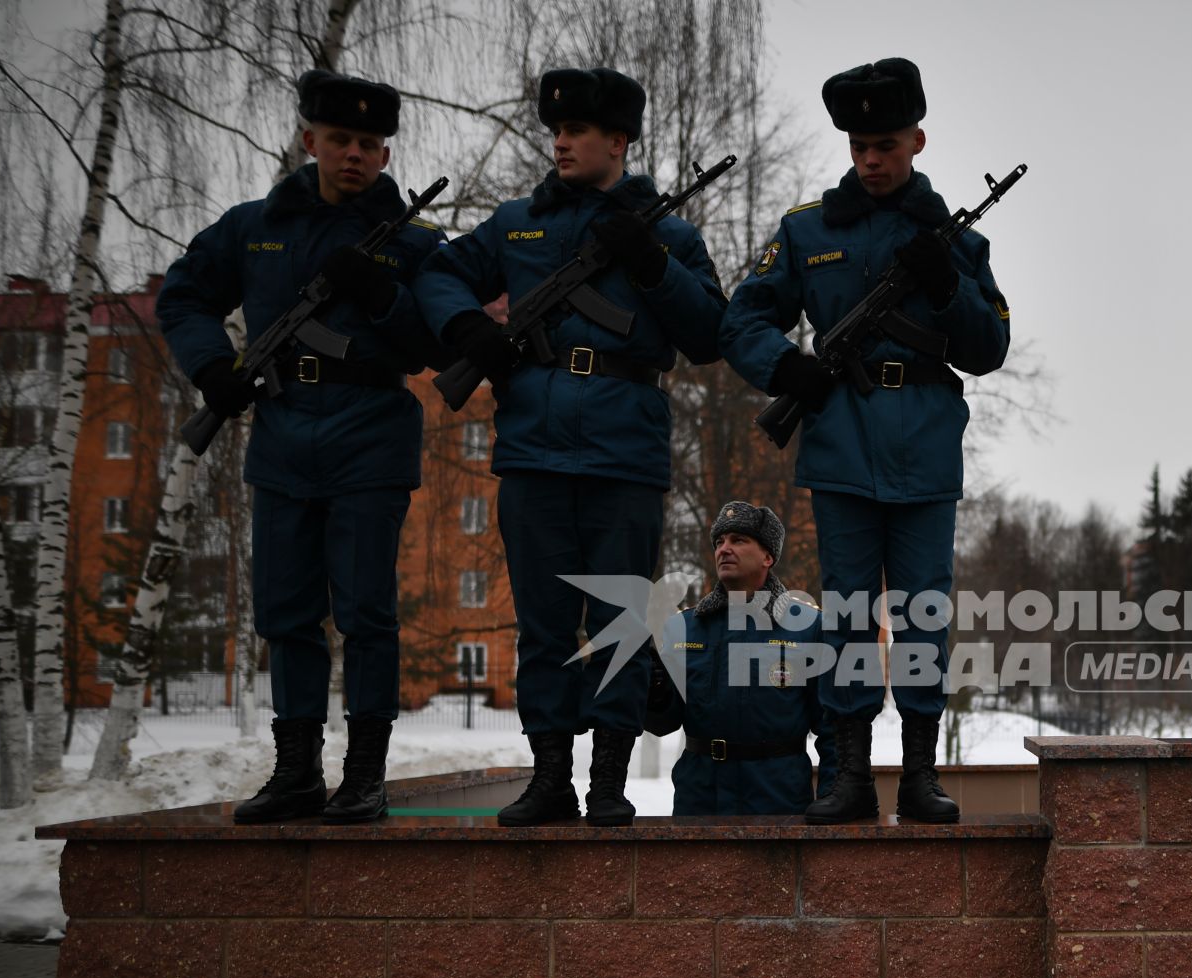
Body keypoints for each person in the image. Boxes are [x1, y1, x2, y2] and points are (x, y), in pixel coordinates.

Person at [415, 67, 725, 826]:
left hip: (625, 450)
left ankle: (609, 784)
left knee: (621, 621)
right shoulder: (520, 221)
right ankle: (550, 775)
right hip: (533, 449)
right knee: (545, 627)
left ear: (618, 142)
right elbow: (439, 273)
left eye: (578, 131)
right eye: (555, 130)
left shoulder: (670, 231)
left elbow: (713, 331)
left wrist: (650, 262)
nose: (560, 142)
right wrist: (468, 329)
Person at [720, 57, 1011, 824]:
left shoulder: (952, 237)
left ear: (917, 138)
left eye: (886, 143)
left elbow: (987, 347)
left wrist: (946, 283)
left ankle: (919, 773)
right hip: (842, 441)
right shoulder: (807, 230)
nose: (872, 160)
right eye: (860, 146)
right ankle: (848, 774)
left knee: (922, 612)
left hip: (923, 443)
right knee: (847, 612)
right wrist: (788, 367)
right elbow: (742, 318)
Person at [158, 70, 447, 824]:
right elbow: (184, 294)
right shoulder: (253, 225)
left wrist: (383, 292)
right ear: (308, 139)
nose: (354, 154)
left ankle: (365, 774)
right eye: (340, 140)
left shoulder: (414, 240)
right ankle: (295, 771)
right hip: (283, 434)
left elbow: (432, 345)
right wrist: (211, 367)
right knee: (284, 613)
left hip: (370, 435)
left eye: (369, 144)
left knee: (364, 613)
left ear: (386, 156)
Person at [645, 502, 837, 815]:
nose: (725, 549)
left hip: (778, 797)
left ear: (768, 556)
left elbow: (832, 730)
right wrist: (653, 690)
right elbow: (662, 723)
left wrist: (831, 797)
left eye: (738, 540)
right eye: (719, 542)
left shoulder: (807, 627)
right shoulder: (684, 627)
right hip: (701, 797)